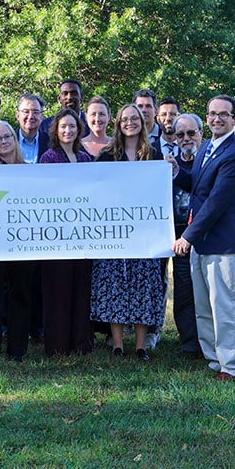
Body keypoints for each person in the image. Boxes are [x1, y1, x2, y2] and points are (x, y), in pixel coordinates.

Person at [173, 94, 235, 381]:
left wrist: (187, 237)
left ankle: (232, 367)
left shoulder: (234, 155)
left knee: (225, 307)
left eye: (223, 114)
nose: (217, 118)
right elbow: (198, 187)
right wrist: (176, 172)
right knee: (204, 306)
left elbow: (216, 202)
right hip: (203, 243)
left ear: (234, 119)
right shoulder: (207, 146)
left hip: (224, 245)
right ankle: (214, 359)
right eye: (212, 114)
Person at [93, 104, 175, 359]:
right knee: (115, 284)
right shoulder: (107, 155)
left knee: (143, 285)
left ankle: (140, 347)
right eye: (124, 119)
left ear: (143, 122)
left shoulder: (153, 155)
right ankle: (117, 345)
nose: (130, 123)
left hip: (145, 233)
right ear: (118, 124)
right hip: (114, 232)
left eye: (134, 119)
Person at [0, 121, 41, 361]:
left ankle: (17, 349)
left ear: (14, 139)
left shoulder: (29, 170)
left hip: (21, 243)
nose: (4, 142)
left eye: (7, 137)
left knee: (21, 295)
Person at [38, 108, 95, 356]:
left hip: (82, 236)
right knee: (58, 291)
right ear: (56, 130)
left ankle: (81, 343)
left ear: (79, 129)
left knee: (81, 289)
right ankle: (58, 345)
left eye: (72, 126)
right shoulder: (49, 158)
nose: (68, 131)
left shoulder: (85, 159)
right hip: (57, 237)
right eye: (63, 126)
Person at [170, 113, 204, 357]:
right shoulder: (168, 165)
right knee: (183, 292)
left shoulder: (210, 160)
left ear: (201, 133)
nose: (186, 138)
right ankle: (189, 344)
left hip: (206, 236)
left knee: (208, 293)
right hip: (178, 236)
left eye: (191, 133)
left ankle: (209, 342)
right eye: (180, 134)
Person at [16, 93, 49, 163]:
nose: (30, 116)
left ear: (42, 117)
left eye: (35, 112)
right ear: (18, 115)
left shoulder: (50, 142)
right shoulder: (8, 141)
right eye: (26, 112)